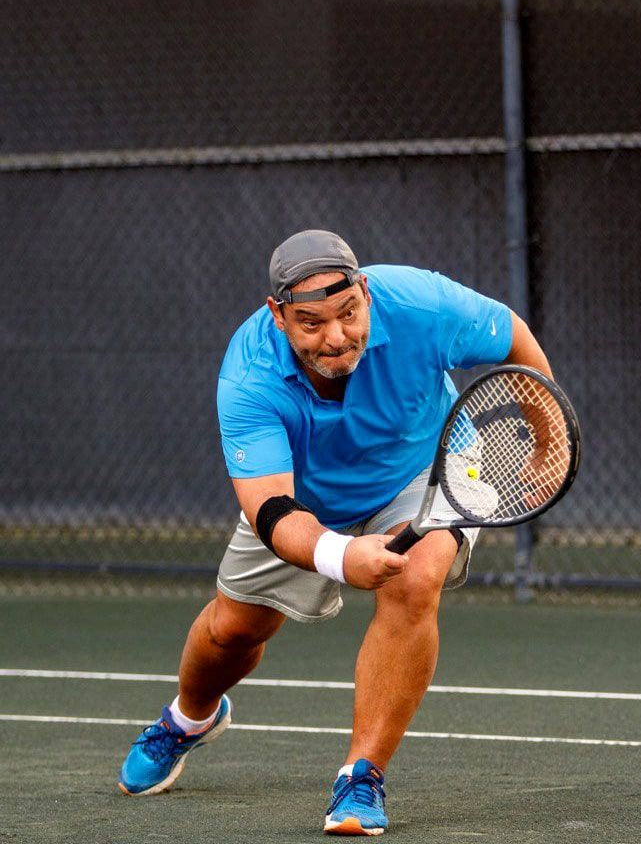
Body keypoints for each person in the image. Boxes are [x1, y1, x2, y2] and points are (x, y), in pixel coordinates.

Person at [118, 229, 555, 835]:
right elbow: (270, 508)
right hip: (305, 498)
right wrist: (339, 554)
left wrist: (544, 438)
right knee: (233, 631)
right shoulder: (248, 375)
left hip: (427, 470)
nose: (337, 337)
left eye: (349, 313)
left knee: (415, 575)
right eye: (311, 323)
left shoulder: (424, 306)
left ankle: (361, 777)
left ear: (366, 292)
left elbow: (514, 337)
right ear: (278, 316)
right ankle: (188, 719)